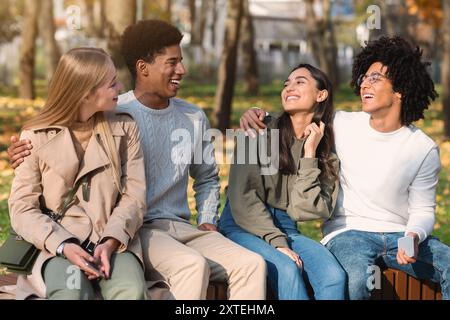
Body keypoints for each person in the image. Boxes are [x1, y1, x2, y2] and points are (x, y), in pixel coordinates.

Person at [7, 20, 267, 300]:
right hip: (137, 229)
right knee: (191, 265)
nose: (182, 70)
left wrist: (206, 220)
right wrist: (25, 152)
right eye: (173, 62)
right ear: (143, 67)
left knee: (253, 265)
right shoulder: (115, 115)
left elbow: (205, 177)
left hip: (172, 226)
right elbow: (46, 175)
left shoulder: (185, 118)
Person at [238, 37, 450, 300]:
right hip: (348, 233)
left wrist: (413, 236)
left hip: (400, 235)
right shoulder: (340, 124)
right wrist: (256, 112)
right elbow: (295, 118)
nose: (364, 83)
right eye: (364, 77)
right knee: (356, 280)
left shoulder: (423, 148)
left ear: (400, 89)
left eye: (375, 78)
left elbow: (423, 210)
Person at [8, 48, 148, 300]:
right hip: (55, 245)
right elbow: (21, 208)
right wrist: (63, 245)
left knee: (131, 291)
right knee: (71, 292)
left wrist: (110, 242)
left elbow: (134, 197)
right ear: (86, 93)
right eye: (112, 83)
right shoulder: (35, 136)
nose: (120, 87)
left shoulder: (125, 127)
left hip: (112, 241)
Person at [219, 63, 346, 300]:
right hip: (241, 224)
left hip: (286, 227)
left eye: (300, 82)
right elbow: (241, 197)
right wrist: (277, 243)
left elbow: (304, 210)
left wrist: (309, 155)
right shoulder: (256, 129)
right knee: (287, 269)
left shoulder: (325, 151)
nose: (289, 88)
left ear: (321, 95)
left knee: (333, 276)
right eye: (286, 83)